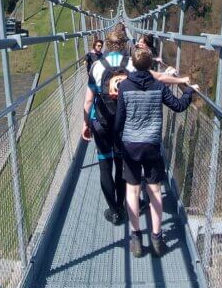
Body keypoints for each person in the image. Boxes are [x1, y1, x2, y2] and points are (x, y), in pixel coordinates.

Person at [114, 47, 199, 258]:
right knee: (154, 191)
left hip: (131, 146)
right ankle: (157, 238)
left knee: (132, 192)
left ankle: (135, 239)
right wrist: (189, 91)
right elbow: (178, 106)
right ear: (151, 64)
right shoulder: (158, 85)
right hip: (151, 145)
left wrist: (118, 141)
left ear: (132, 64)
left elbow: (120, 119)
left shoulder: (124, 86)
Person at [82, 31, 130, 223]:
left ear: (107, 45)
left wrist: (86, 124)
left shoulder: (97, 65)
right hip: (124, 123)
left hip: (101, 122)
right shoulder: (132, 64)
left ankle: (114, 212)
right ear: (125, 44)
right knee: (121, 166)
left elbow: (88, 100)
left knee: (105, 166)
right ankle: (122, 205)